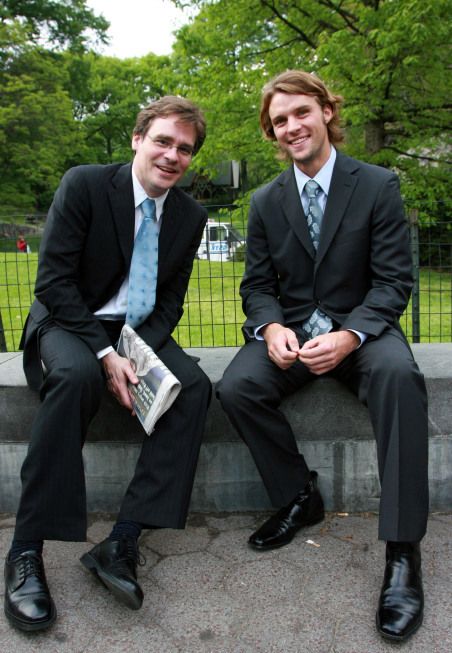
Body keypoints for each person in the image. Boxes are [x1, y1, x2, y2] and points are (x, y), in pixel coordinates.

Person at [217, 70, 428, 642]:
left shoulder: (378, 184)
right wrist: (269, 327)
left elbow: (393, 281)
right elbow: (257, 285)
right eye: (279, 120)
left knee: (400, 379)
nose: (291, 127)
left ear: (326, 112)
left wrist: (350, 336)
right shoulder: (265, 201)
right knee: (235, 388)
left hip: (363, 332)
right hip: (294, 333)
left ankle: (403, 551)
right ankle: (299, 497)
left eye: (300, 113)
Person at [4, 96, 211, 632]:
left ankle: (122, 540)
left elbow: (170, 304)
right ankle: (26, 550)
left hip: (135, 331)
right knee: (74, 378)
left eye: (184, 149)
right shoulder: (87, 184)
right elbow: (52, 282)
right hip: (71, 321)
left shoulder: (189, 216)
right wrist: (104, 355)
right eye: (163, 141)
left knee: (192, 388)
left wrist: (137, 353)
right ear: (139, 139)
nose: (172, 155)